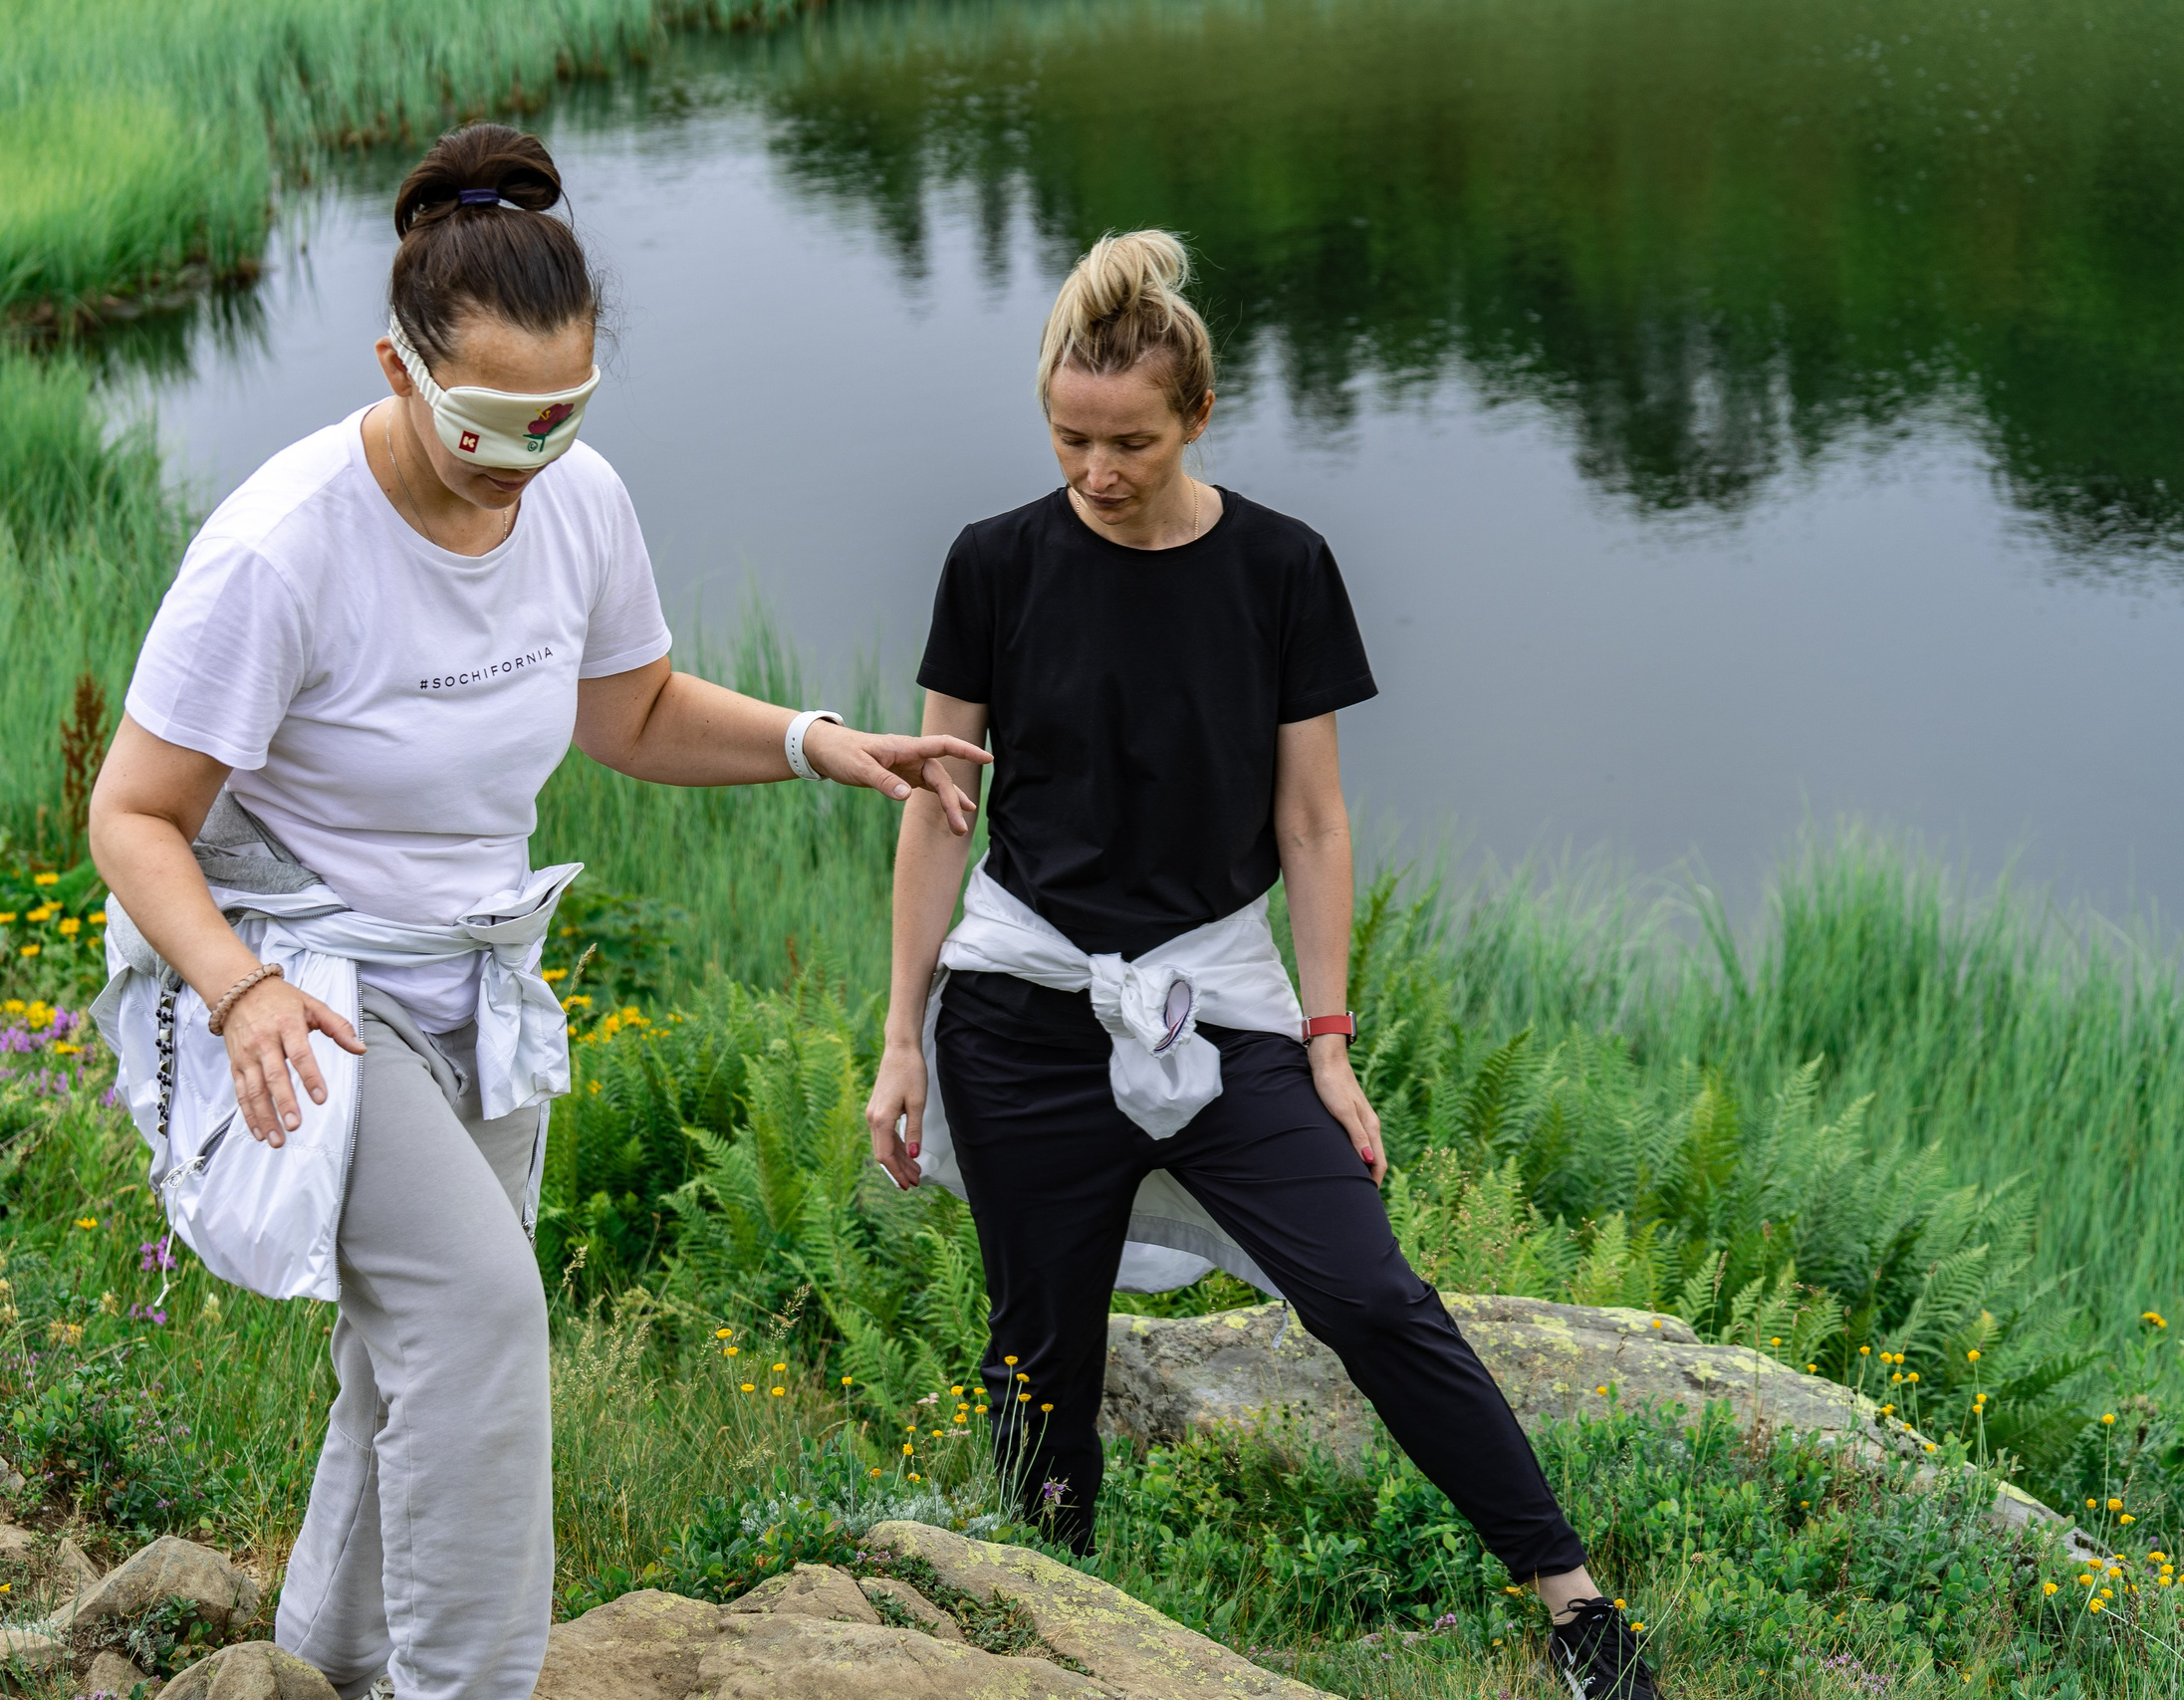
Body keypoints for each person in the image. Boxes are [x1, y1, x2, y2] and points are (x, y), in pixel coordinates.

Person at [88, 123, 987, 1700]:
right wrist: (240, 990)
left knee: (410, 1358)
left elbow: (629, 711)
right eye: (491, 421)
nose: (527, 453)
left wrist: (814, 743)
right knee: (483, 1323)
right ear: (398, 367)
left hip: (476, 972)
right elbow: (132, 814)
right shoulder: (283, 548)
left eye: (563, 415)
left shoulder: (575, 501)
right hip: (304, 981)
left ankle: (318, 1665)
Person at [863, 230, 1663, 1700]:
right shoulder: (994, 562)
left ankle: (1576, 1609)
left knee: (1371, 1294)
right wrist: (903, 1035)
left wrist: (1328, 1043)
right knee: (1041, 1343)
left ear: (1198, 417)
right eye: (1070, 440)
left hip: (1217, 1002)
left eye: (1130, 443)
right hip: (1022, 1011)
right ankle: (1049, 1623)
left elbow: (1312, 822)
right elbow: (936, 805)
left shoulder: (1281, 567)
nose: (1097, 472)